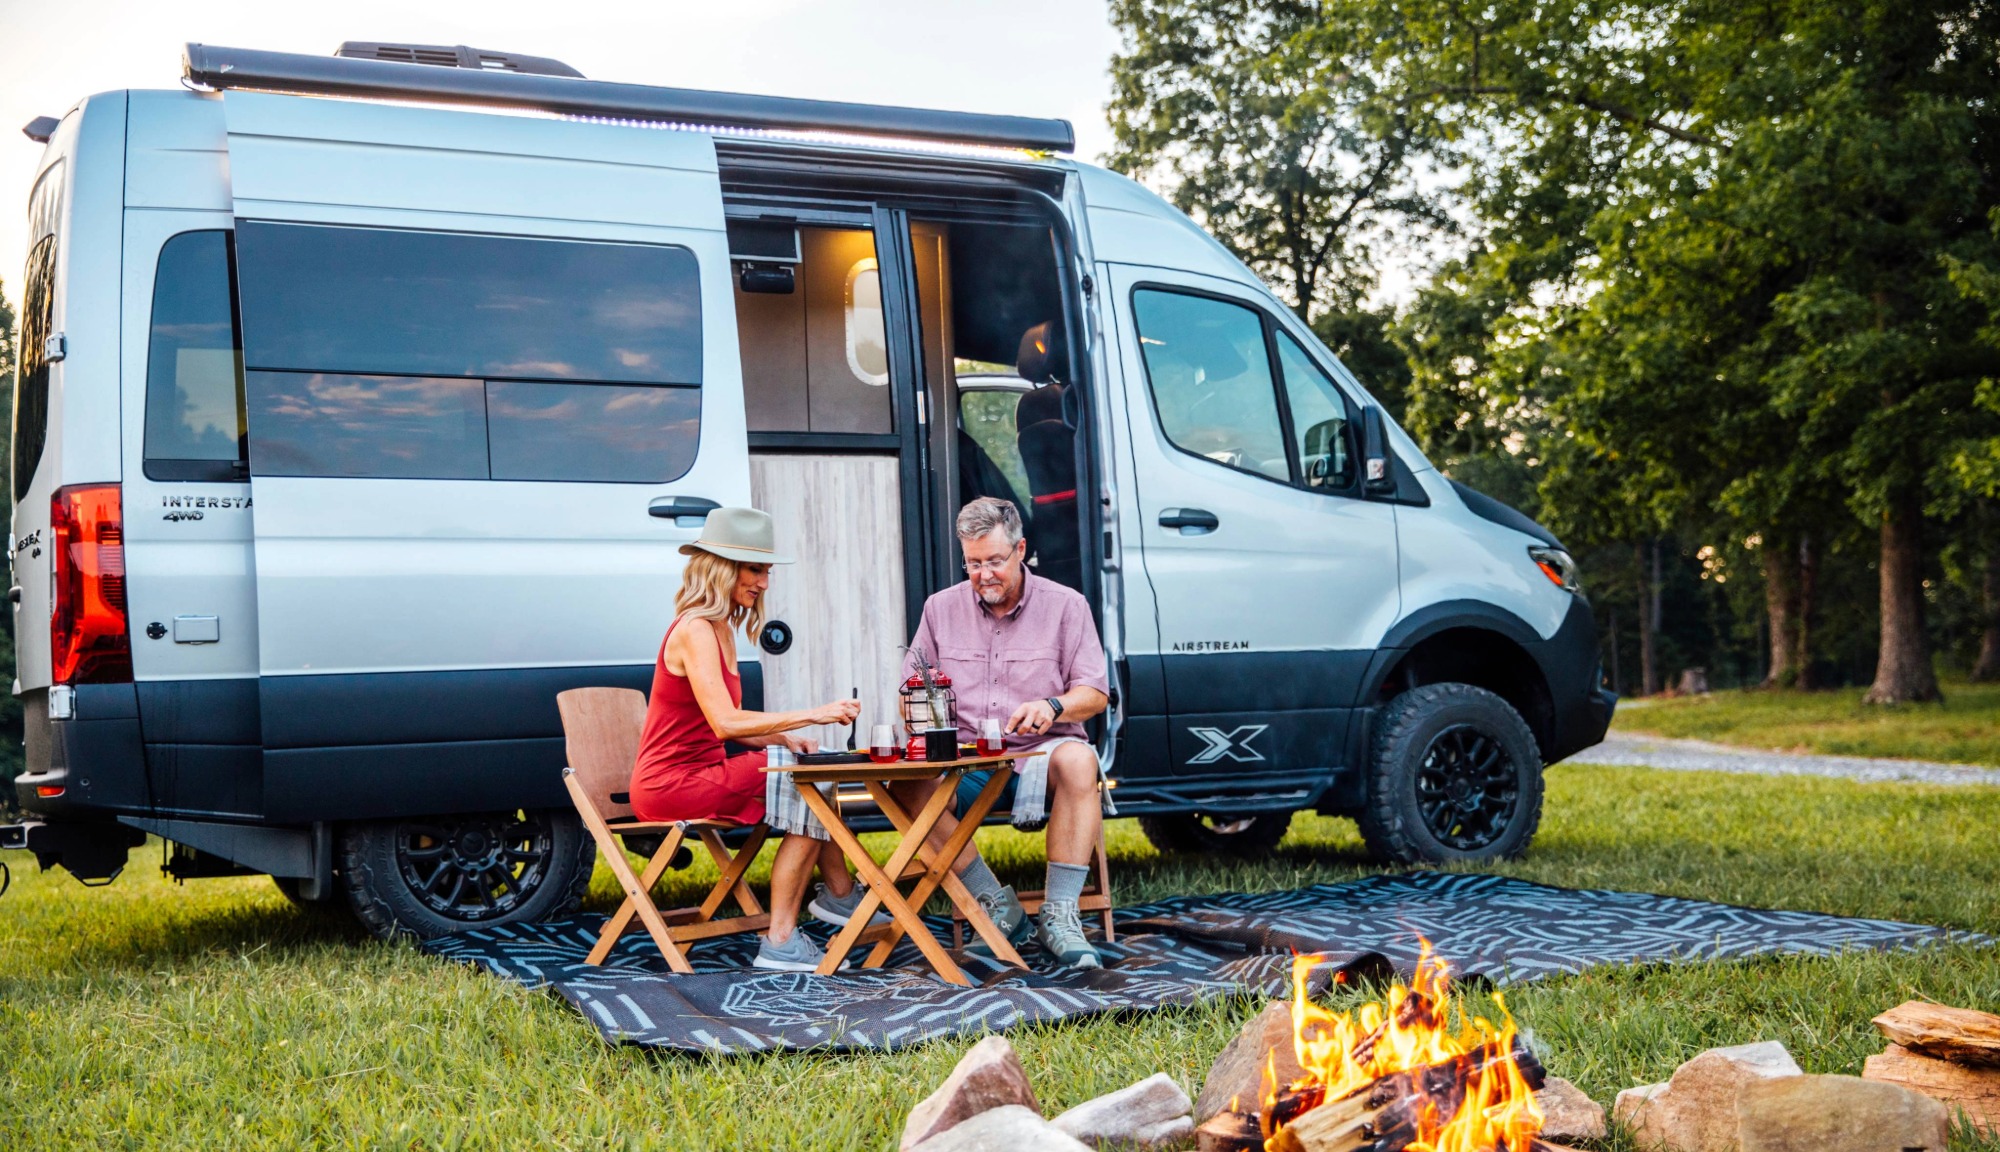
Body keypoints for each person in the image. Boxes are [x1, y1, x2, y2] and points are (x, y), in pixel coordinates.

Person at [631, 506, 868, 972]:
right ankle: (786, 935)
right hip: (672, 783)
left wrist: (786, 738)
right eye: (755, 569)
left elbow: (720, 723)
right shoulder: (695, 630)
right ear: (721, 566)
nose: (763, 582)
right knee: (809, 782)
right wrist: (812, 715)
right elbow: (725, 723)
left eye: (767, 571)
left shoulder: (718, 627)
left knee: (812, 770)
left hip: (701, 771)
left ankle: (838, 897)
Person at [895, 496, 1111, 970]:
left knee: (1080, 760)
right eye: (973, 563)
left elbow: (1095, 693)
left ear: (1021, 550)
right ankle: (995, 906)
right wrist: (922, 709)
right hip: (969, 762)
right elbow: (910, 685)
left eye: (994, 560)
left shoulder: (1066, 606)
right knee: (908, 786)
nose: (984, 574)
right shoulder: (939, 609)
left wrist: (1054, 706)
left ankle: (1059, 916)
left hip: (1043, 755)